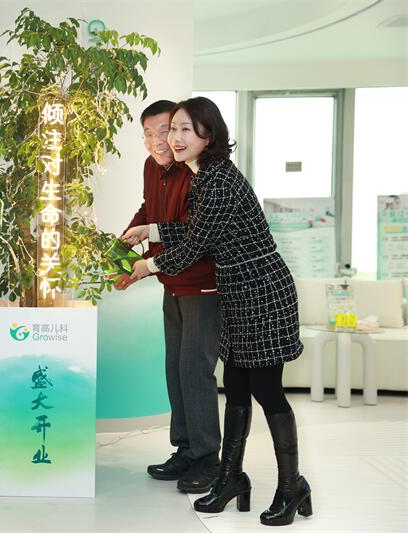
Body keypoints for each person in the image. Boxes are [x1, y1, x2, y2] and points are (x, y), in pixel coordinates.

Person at [127, 96, 312, 527]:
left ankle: (292, 487)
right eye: (172, 129)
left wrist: (147, 266)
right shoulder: (203, 176)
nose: (174, 139)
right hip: (237, 289)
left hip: (263, 291)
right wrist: (149, 229)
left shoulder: (217, 179)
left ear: (208, 134)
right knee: (237, 386)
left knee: (266, 390)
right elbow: (197, 230)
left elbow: (196, 244)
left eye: (184, 130)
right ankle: (231, 478)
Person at [118, 99, 221, 494]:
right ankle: (186, 449)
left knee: (195, 370)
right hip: (171, 282)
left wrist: (146, 264)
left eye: (169, 130)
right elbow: (150, 213)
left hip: (203, 286)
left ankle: (208, 459)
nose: (160, 140)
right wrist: (123, 251)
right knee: (176, 370)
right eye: (150, 133)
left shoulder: (197, 172)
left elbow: (192, 233)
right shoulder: (152, 167)